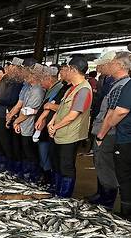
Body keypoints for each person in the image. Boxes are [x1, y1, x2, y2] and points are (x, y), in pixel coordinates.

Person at [88, 52, 130, 209]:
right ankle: (103, 198)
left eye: (112, 63)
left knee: (106, 167)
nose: (109, 65)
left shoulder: (121, 86)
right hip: (110, 132)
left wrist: (100, 135)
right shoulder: (116, 83)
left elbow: (113, 113)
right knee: (103, 165)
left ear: (119, 66)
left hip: (110, 133)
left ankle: (107, 204)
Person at [48, 55, 93, 198]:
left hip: (70, 134)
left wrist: (55, 126)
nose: (64, 71)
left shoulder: (84, 90)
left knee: (66, 166)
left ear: (73, 69)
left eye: (66, 68)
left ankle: (64, 197)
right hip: (60, 132)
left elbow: (73, 115)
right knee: (57, 163)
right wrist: (52, 122)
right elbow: (61, 108)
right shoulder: (71, 89)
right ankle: (57, 190)